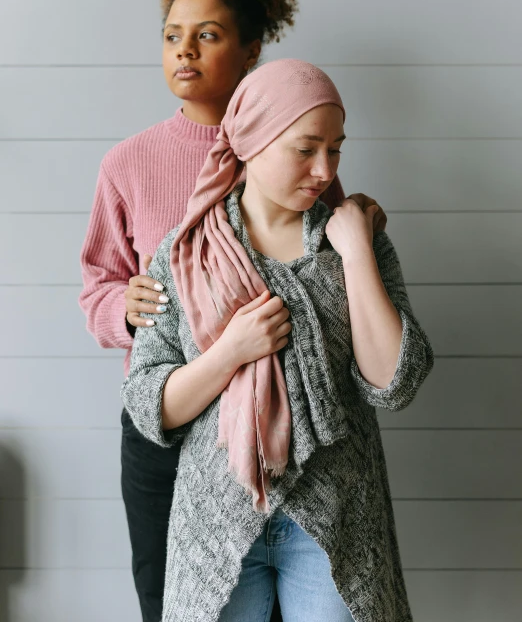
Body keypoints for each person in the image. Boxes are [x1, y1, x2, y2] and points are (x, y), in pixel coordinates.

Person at [79, 0, 387, 622]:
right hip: (169, 417)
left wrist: (362, 229)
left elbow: (330, 274)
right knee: (174, 600)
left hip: (283, 425)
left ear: (251, 50)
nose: (184, 49)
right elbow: (98, 281)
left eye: (207, 34)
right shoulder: (128, 163)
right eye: (171, 35)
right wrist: (120, 307)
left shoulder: (295, 152)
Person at [122, 59, 434, 622]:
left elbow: (395, 383)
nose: (323, 168)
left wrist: (357, 251)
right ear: (251, 140)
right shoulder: (184, 253)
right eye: (305, 148)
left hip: (336, 520)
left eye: (335, 149)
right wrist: (230, 353)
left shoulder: (356, 240)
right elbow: (150, 405)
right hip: (219, 520)